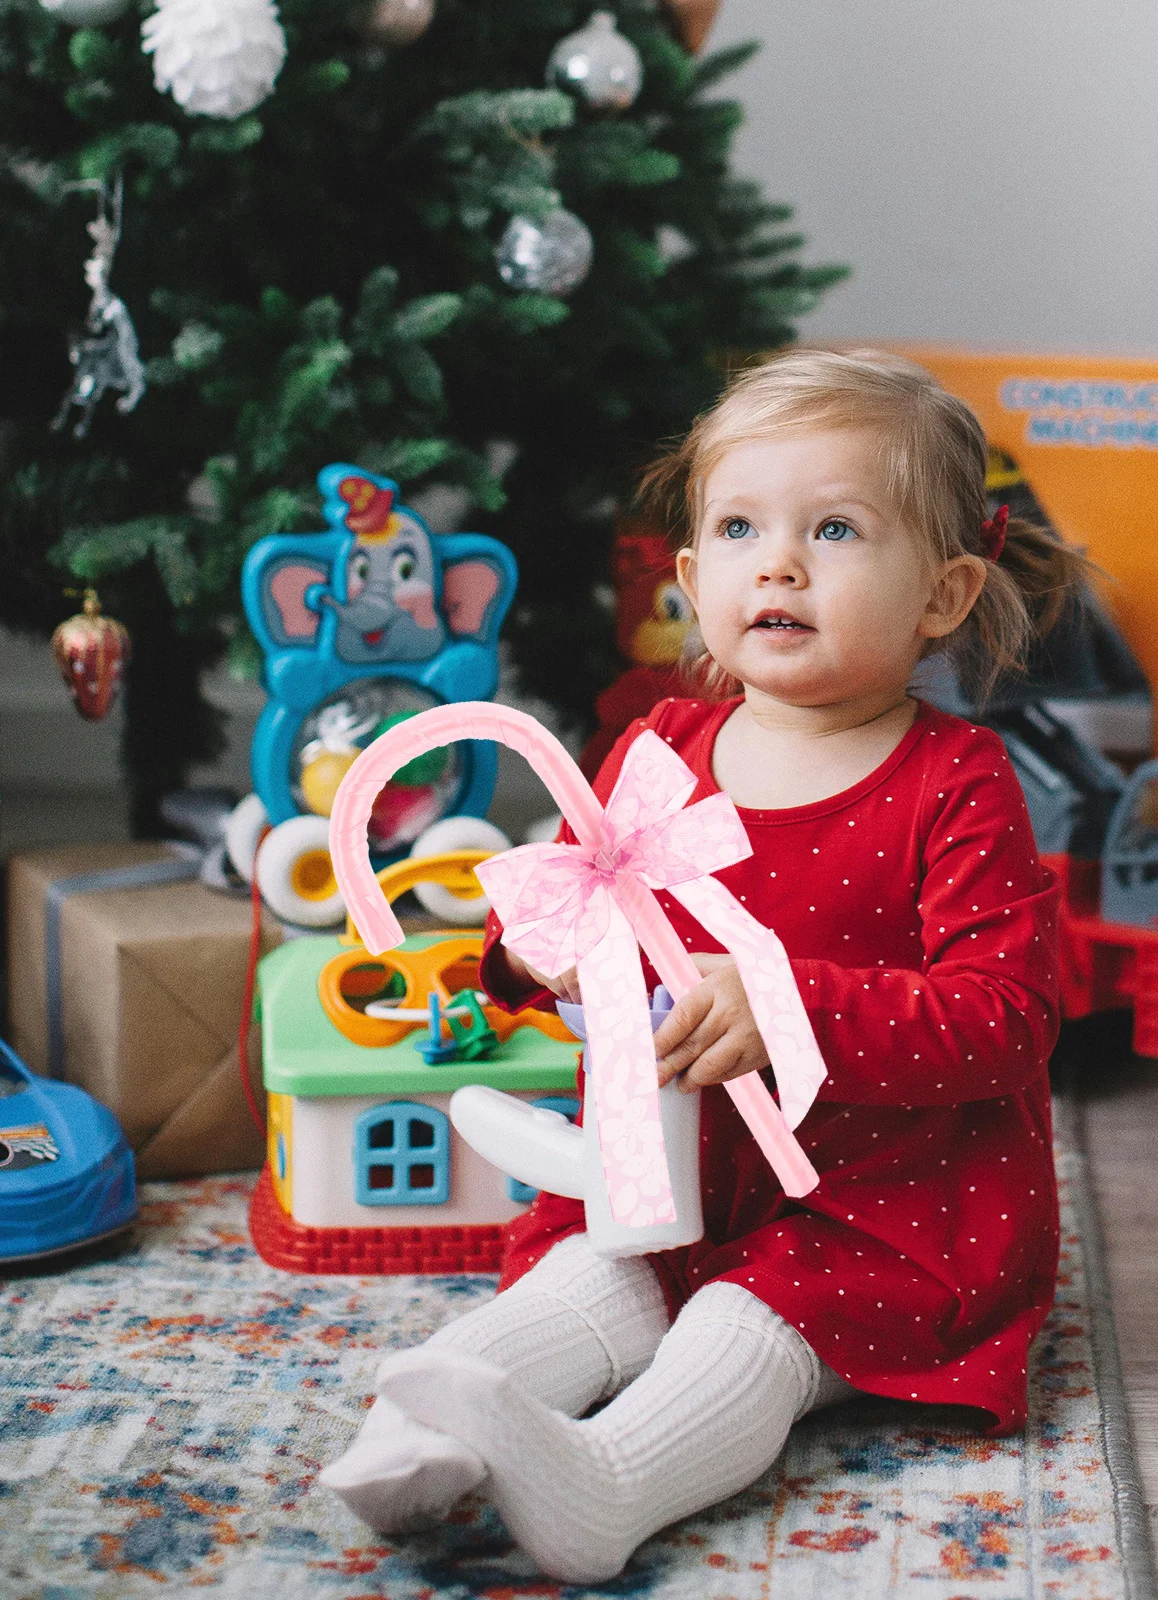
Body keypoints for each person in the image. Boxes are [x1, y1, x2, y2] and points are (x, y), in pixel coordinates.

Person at [320, 348, 1086, 1582]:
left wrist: (788, 1007)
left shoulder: (955, 783)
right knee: (586, 1281)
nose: (777, 562)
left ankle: (610, 1485)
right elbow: (560, 904)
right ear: (691, 578)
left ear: (941, 596)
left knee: (743, 1323)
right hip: (672, 1173)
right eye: (740, 527)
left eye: (833, 529)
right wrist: (535, 955)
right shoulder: (660, 743)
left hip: (876, 1205)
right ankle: (419, 1442)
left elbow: (1003, 1019)